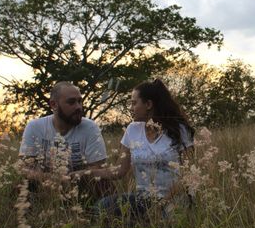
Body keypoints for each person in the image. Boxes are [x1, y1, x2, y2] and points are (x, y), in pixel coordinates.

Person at [70, 79, 194, 219]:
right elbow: (119, 170)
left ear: (148, 104)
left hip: (174, 199)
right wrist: (87, 172)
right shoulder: (132, 130)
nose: (130, 108)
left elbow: (188, 175)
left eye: (134, 103)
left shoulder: (179, 131)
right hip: (143, 199)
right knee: (102, 207)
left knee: (164, 221)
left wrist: (162, 203)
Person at [19, 81, 112, 199]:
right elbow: (25, 168)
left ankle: (94, 215)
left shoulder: (90, 127)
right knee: (20, 188)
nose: (78, 107)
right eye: (71, 102)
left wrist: (73, 178)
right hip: (45, 184)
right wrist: (52, 179)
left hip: (81, 185)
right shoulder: (35, 127)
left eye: (80, 101)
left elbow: (97, 168)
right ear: (53, 105)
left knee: (103, 185)